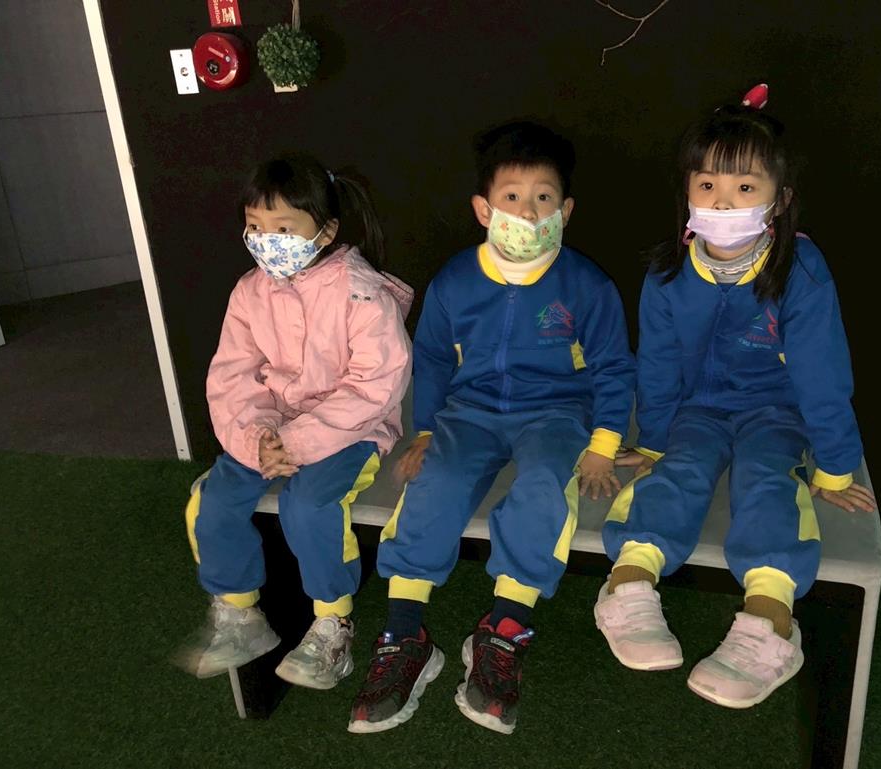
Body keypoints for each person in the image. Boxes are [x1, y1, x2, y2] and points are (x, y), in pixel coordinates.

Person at [348, 121, 635, 734]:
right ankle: (404, 633)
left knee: (543, 487)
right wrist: (426, 431)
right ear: (484, 209)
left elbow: (614, 366)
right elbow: (431, 358)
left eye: (543, 198)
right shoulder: (455, 280)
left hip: (555, 414)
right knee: (435, 484)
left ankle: (504, 629)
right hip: (469, 412)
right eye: (512, 197)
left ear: (566, 211)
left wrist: (603, 444)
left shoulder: (587, 285)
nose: (527, 212)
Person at [595, 87, 876, 709]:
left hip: (775, 411)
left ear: (781, 199)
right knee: (680, 471)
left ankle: (769, 621)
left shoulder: (800, 269)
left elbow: (823, 373)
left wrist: (834, 466)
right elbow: (657, 364)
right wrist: (655, 440)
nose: (723, 202)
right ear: (687, 192)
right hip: (697, 410)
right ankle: (628, 583)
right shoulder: (668, 271)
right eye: (708, 185)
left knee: (766, 478)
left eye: (745, 187)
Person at [177, 154, 413, 692]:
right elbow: (232, 376)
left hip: (352, 432)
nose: (266, 241)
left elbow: (374, 386)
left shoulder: (361, 292)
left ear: (325, 231)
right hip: (268, 433)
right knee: (211, 501)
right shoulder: (249, 292)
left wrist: (298, 441)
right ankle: (240, 614)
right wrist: (255, 438)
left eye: (283, 229)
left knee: (307, 505)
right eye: (255, 226)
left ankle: (333, 623)